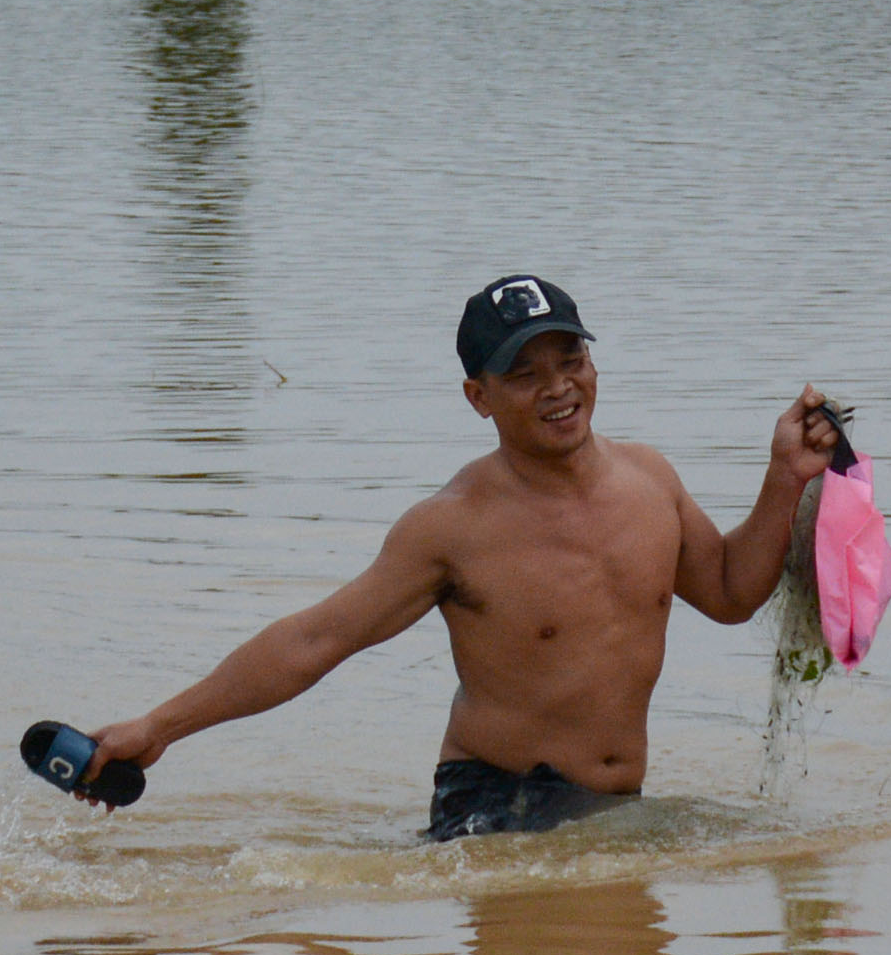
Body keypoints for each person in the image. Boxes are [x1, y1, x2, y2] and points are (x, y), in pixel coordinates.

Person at [83, 274, 838, 839]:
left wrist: (784, 476)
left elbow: (734, 594)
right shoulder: (451, 527)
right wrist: (160, 728)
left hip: (610, 810)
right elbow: (316, 640)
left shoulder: (651, 480)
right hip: (495, 808)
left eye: (569, 359)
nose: (558, 389)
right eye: (525, 375)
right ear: (478, 397)